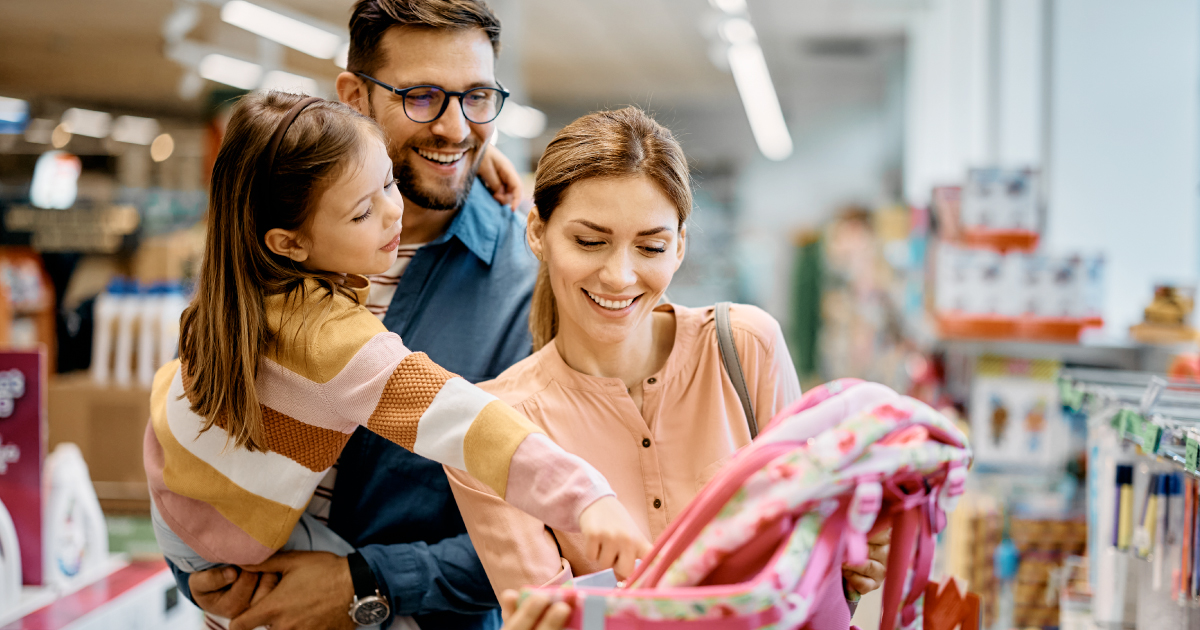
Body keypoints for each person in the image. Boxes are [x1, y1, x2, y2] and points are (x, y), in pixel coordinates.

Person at [145, 92, 650, 627]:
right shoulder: (329, 340)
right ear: (289, 243)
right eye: (363, 211)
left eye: (389, 182)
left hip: (179, 500)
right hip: (225, 546)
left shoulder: (236, 289)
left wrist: (477, 160)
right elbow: (467, 422)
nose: (394, 212)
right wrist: (586, 498)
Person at [173, 2, 546, 629]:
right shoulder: (279, 237)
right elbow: (199, 415)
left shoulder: (528, 285)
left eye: (477, 97)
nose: (455, 129)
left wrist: (367, 582)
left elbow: (549, 533)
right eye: (423, 96)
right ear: (353, 96)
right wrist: (194, 567)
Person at [447, 107, 889, 603]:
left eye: (651, 247)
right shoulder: (495, 428)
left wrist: (844, 562)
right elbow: (550, 621)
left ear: (679, 246)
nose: (619, 276)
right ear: (536, 232)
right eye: (589, 241)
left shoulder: (746, 348)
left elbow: (810, 561)